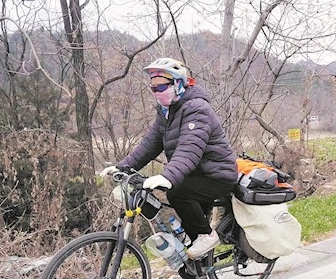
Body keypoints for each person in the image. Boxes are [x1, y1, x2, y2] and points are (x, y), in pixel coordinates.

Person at [100, 57, 238, 264]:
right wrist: (122, 167)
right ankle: (197, 266)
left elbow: (189, 149)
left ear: (178, 83)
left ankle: (208, 236)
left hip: (217, 174)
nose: (157, 92)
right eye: (153, 88)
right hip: (195, 174)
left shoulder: (196, 108)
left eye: (162, 86)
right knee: (184, 210)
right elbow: (149, 144)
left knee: (178, 193)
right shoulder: (167, 113)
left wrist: (167, 176)